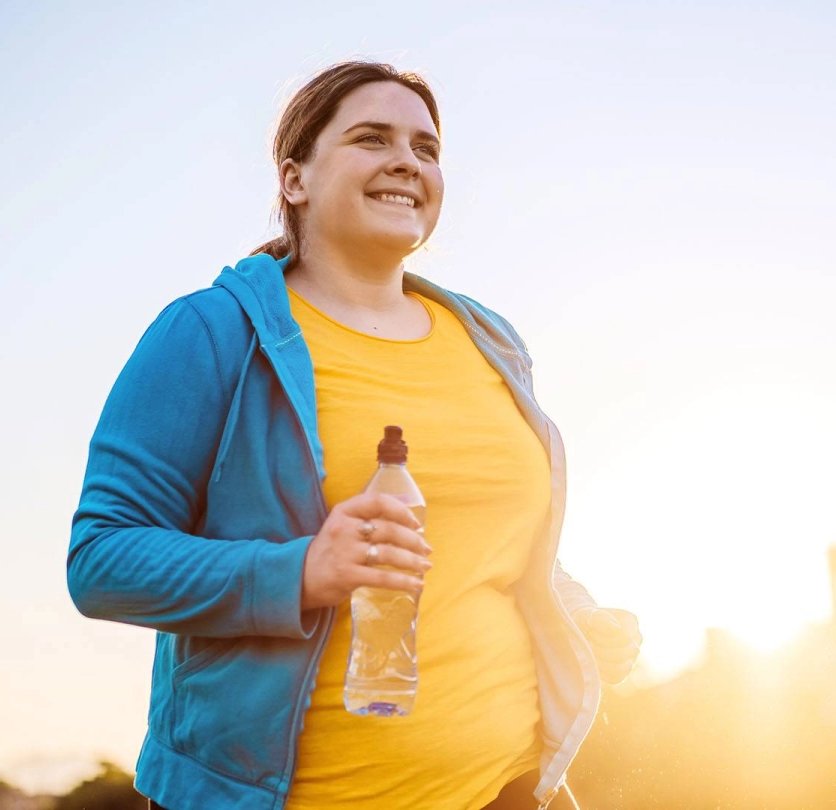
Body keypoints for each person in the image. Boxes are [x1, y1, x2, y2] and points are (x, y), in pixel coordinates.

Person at [67, 59, 642, 810]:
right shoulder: (211, 333)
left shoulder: (490, 339)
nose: (407, 160)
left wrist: (578, 612)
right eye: (372, 138)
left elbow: (498, 544)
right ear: (294, 179)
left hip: (509, 787)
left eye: (426, 148)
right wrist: (303, 571)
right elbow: (102, 558)